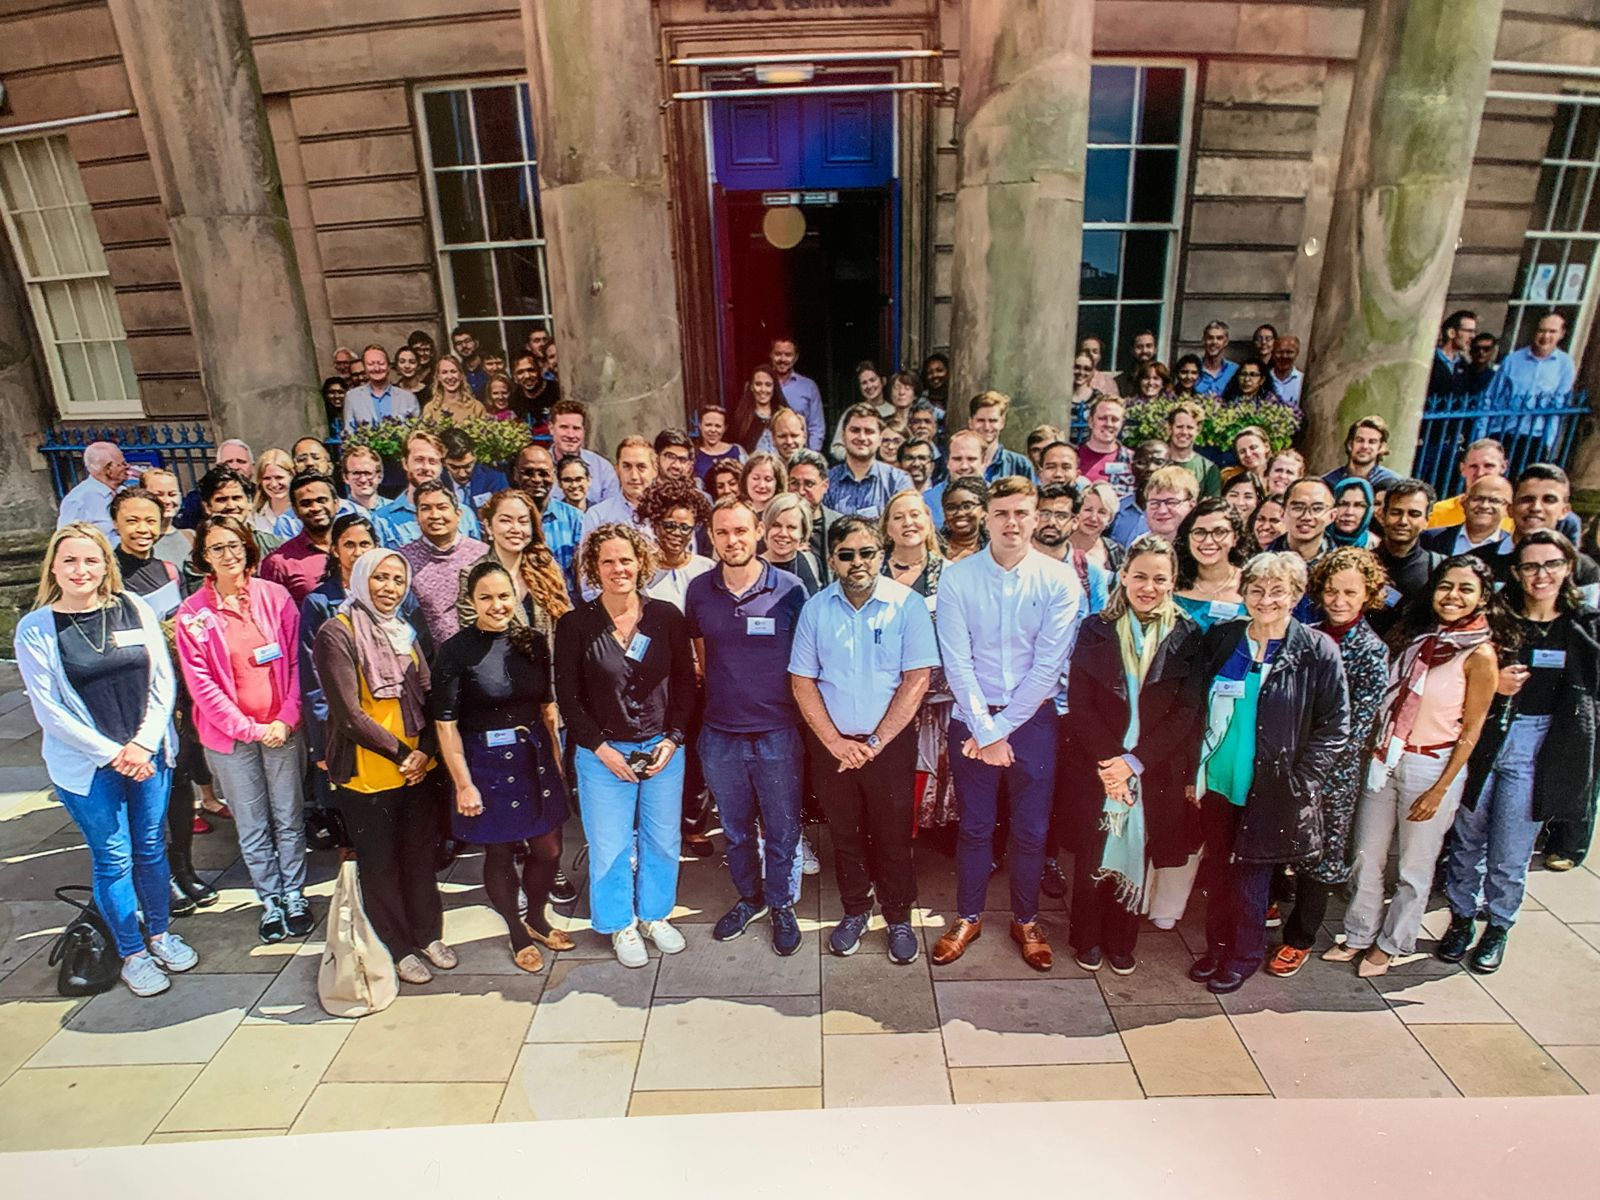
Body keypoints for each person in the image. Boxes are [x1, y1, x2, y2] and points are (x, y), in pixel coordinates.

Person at [14, 523, 196, 996]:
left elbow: (162, 682)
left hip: (147, 755)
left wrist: (143, 743)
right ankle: (132, 952)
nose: (81, 570)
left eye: (91, 560)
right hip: (90, 767)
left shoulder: (132, 607)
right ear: (53, 565)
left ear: (105, 566)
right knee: (113, 858)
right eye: (70, 560)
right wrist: (115, 754)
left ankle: (160, 933)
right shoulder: (36, 628)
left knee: (152, 847)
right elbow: (50, 712)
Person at [930, 477, 1082, 971]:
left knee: (1032, 830)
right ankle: (968, 916)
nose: (1012, 523)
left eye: (1022, 513)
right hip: (971, 717)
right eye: (1002, 513)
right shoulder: (956, 578)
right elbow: (958, 661)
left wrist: (998, 732)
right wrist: (983, 727)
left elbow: (1047, 667)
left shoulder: (1059, 580)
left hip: (1032, 719)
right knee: (974, 827)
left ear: (1037, 519)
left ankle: (1026, 918)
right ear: (986, 518)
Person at [1327, 555, 1502, 977]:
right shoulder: (1417, 638)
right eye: (1446, 586)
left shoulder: (1479, 655)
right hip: (1386, 758)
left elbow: (1472, 730)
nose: (1453, 596)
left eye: (1465, 589)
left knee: (1413, 865)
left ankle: (1392, 942)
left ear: (1481, 598)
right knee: (1367, 855)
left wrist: (1440, 788)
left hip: (1433, 764)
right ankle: (1358, 934)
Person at [1186, 551, 1349, 993]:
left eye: (1279, 590)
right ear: (1244, 593)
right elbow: (1194, 705)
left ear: (1296, 596)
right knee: (1218, 869)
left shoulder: (1316, 650)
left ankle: (1243, 955)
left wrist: (1303, 782)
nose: (1266, 598)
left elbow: (1335, 725)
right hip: (1219, 780)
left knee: (1251, 878)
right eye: (1257, 589)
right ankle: (1216, 948)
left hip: (1273, 788)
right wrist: (1191, 773)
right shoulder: (1224, 638)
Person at [1441, 531, 1599, 972]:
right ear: (1516, 572)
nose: (1541, 575)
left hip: (1540, 743)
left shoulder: (1582, 623)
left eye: (1551, 565)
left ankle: (1499, 924)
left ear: (1568, 567)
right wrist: (1495, 688)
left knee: (1512, 846)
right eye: (1531, 566)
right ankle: (1461, 917)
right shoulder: (1499, 618)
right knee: (1468, 833)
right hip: (1489, 736)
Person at [790, 515, 938, 964]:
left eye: (867, 552)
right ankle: (855, 911)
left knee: (892, 836)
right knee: (846, 835)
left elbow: (917, 679)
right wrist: (836, 743)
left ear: (882, 554)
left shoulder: (906, 605)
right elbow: (802, 680)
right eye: (847, 554)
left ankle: (897, 919)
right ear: (832, 559)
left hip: (888, 746)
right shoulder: (815, 609)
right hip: (833, 747)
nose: (858, 562)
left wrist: (874, 743)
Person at [1060, 534, 1203, 975]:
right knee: (1093, 851)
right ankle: (1085, 938)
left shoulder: (1187, 633)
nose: (1148, 586)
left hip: (1151, 767)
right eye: (1139, 576)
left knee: (1137, 851)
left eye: (1159, 578)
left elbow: (1187, 712)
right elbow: (1080, 703)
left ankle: (1122, 941)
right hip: (1098, 766)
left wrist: (1134, 762)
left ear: (1173, 581)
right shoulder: (1096, 628)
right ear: (1123, 576)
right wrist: (1111, 763)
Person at [556, 525, 695, 967]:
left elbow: (687, 685)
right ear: (595, 569)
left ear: (641, 563)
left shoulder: (667, 616)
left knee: (662, 840)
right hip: (603, 755)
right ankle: (620, 924)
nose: (619, 569)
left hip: (661, 750)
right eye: (609, 561)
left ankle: (654, 915)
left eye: (626, 559)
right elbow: (569, 697)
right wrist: (601, 749)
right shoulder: (575, 624)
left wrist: (673, 740)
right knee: (610, 844)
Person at [314, 549, 453, 985]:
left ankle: (427, 934)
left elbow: (430, 696)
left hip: (417, 769)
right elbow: (349, 715)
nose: (389, 588)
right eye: (380, 578)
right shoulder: (335, 633)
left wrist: (426, 752)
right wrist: (403, 755)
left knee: (419, 857)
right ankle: (397, 946)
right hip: (369, 771)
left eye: (397, 579)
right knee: (381, 863)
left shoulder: (404, 632)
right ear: (358, 580)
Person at [436, 560, 576, 973]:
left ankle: (536, 917)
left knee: (549, 848)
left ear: (515, 595)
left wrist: (554, 758)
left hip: (534, 755)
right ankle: (516, 931)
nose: (497, 605)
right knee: (499, 851)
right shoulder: (455, 650)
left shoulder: (532, 641)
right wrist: (464, 784)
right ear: (471, 601)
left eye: (503, 596)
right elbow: (446, 726)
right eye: (486, 598)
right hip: (485, 762)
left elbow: (546, 708)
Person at [176, 515, 309, 944]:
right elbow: (202, 686)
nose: (229, 555)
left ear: (248, 547)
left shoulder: (275, 597)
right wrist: (249, 728)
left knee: (288, 816)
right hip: (231, 739)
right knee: (252, 823)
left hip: (282, 730)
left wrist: (286, 718)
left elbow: (294, 662)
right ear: (203, 558)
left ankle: (295, 895)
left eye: (235, 545)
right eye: (217, 548)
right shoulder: (193, 614)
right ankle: (270, 900)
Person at [686, 498, 811, 953]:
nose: (732, 540)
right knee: (736, 830)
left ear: (758, 531)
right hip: (720, 733)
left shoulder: (792, 588)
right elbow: (703, 655)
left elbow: (806, 659)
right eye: (722, 533)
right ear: (712, 537)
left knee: (781, 828)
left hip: (778, 730)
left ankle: (781, 903)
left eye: (741, 531)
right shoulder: (699, 590)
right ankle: (748, 897)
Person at [1263, 547, 1390, 975]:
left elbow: (1356, 728)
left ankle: (1300, 937)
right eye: (1332, 591)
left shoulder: (1372, 650)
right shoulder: (1305, 634)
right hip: (1286, 758)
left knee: (1320, 853)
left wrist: (1312, 766)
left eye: (1349, 592)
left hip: (1331, 772)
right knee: (1278, 840)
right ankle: (1270, 906)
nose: (1338, 600)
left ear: (1367, 594)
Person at [881, 490, 958, 831]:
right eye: (898, 517)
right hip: (884, 695)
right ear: (887, 528)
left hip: (937, 699)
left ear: (929, 522)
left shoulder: (953, 574)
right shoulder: (871, 569)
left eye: (915, 514)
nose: (908, 522)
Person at [1472, 463, 1600, 599]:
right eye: (1527, 499)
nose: (1536, 507)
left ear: (1564, 511)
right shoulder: (1478, 561)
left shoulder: (1584, 570)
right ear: (1510, 509)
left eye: (1549, 500)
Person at [397, 481, 489, 650]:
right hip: (429, 661)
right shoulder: (402, 560)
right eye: (425, 508)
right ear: (416, 517)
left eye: (442, 507)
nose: (434, 515)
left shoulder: (483, 554)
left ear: (458, 514)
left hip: (481, 653)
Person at [1483, 312, 1577, 463]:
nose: (1546, 336)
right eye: (1542, 330)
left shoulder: (1565, 365)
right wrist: (1482, 436)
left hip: (1534, 437)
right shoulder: (1513, 360)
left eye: (1552, 331)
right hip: (1502, 432)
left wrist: (1549, 445)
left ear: (1562, 334)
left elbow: (1557, 409)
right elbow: (1491, 398)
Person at [375, 431, 481, 545]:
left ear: (441, 466)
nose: (426, 467)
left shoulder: (465, 515)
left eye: (432, 461)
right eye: (419, 460)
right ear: (405, 463)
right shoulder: (382, 519)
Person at [1369, 479, 1441, 634]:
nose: (1403, 521)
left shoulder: (1437, 568)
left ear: (1427, 520)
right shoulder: (1361, 564)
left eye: (1414, 514)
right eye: (1396, 512)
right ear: (1382, 515)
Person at [258, 473, 338, 605]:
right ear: (295, 511)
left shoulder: (354, 548)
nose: (316, 508)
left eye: (322, 500)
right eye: (306, 503)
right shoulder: (279, 563)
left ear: (336, 504)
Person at [509, 444, 582, 588]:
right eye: (528, 473)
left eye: (543, 473)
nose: (536, 479)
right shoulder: (506, 519)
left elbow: (582, 573)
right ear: (516, 474)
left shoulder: (574, 519)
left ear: (553, 474)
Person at [824, 404, 912, 519]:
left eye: (869, 431)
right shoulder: (827, 482)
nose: (861, 437)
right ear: (843, 437)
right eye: (855, 430)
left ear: (880, 439)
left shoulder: (898, 481)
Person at [638, 478, 714, 608]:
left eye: (685, 528)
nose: (677, 533)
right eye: (669, 525)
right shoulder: (642, 572)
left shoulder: (708, 568)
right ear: (655, 525)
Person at [1173, 499, 1246, 632]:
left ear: (1235, 538)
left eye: (1219, 532)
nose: (1208, 541)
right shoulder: (1172, 583)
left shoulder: (1250, 582)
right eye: (1199, 532)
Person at [579, 437, 657, 557]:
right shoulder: (598, 516)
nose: (634, 476)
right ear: (617, 469)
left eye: (641, 467)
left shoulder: (668, 514)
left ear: (654, 470)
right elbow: (586, 568)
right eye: (627, 466)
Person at [1427, 438, 1512, 530]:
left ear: (1503, 467)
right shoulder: (1438, 513)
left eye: (1488, 466)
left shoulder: (1515, 516)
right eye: (1473, 466)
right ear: (1462, 468)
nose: (1480, 473)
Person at [549, 399, 621, 506]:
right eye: (564, 427)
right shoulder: (540, 467)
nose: (570, 435)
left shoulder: (602, 468)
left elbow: (611, 511)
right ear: (551, 428)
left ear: (584, 431)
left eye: (576, 428)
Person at [1423, 474, 1514, 556]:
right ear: (1464, 503)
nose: (1484, 506)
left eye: (1494, 501)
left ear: (1509, 509)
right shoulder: (1429, 538)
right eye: (1477, 499)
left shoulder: (1512, 548)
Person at [57, 440, 129, 535]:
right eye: (122, 464)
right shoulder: (79, 500)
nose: (127, 466)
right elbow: (66, 538)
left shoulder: (123, 492)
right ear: (108, 469)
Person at [769, 336, 825, 451]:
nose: (782, 359)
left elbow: (816, 427)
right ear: (770, 355)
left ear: (796, 357)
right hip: (768, 458)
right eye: (778, 354)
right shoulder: (761, 385)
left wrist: (810, 456)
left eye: (788, 355)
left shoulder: (808, 387)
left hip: (799, 454)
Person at [763, 492, 824, 595]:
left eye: (791, 527)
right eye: (776, 525)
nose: (783, 533)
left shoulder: (811, 561)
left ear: (803, 532)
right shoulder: (753, 569)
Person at [787, 448, 840, 564]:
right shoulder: (776, 527)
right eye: (794, 483)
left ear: (825, 486)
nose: (801, 491)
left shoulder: (839, 524)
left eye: (809, 484)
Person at [343, 344, 420, 425]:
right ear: (365, 368)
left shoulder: (408, 398)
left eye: (381, 363)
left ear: (389, 366)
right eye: (371, 364)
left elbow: (416, 432)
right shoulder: (352, 397)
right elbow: (349, 432)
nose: (377, 368)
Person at [1322, 416, 1402, 493]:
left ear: (1381, 447)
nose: (1365, 446)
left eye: (1372, 442)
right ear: (1350, 444)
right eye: (1360, 440)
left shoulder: (1393, 484)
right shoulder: (1329, 482)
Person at [967, 391, 1033, 481]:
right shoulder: (959, 463)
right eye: (981, 420)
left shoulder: (1020, 465)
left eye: (993, 420)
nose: (986, 427)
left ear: (1002, 422)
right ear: (970, 422)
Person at [136, 467, 194, 566]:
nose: (167, 501)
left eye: (172, 494)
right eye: (159, 495)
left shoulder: (191, 537)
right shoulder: (135, 540)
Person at [441, 428, 509, 511]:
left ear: (475, 457)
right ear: (443, 462)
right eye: (454, 467)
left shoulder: (494, 479)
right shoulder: (436, 482)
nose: (462, 474)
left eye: (467, 466)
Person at [730, 362, 790, 455]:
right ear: (751, 387)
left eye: (768, 385)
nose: (763, 389)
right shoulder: (741, 418)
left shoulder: (784, 415)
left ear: (774, 387)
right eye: (758, 384)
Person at [1077, 396, 1133, 492]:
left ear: (1122, 424)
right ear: (1090, 421)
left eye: (1114, 419)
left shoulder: (1132, 460)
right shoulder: (1073, 457)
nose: (1109, 424)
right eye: (1102, 418)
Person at [1166, 401, 1220, 498]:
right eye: (1179, 427)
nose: (1184, 432)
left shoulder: (1209, 469)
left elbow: (1212, 508)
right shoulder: (1157, 461)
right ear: (1170, 428)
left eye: (1190, 427)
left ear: (1198, 430)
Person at [1068, 480, 1122, 573]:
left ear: (1110, 519)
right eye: (1088, 510)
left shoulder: (1115, 552)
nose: (1093, 518)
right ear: (1077, 512)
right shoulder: (1058, 544)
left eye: (1102, 512)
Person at [940, 475, 989, 562]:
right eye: (951, 508)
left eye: (967, 506)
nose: (959, 513)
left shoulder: (995, 548)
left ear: (984, 510)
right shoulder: (933, 548)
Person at [1429, 310, 1478, 396]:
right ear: (1451, 333)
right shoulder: (1430, 361)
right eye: (1469, 331)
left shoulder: (1464, 366)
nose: (1472, 336)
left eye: (1474, 332)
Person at [694, 405, 745, 481]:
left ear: (724, 428)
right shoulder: (694, 454)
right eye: (708, 425)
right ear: (700, 426)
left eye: (718, 426)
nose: (713, 430)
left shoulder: (737, 450)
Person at [251, 448, 295, 537]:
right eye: (267, 478)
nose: (274, 484)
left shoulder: (303, 513)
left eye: (279, 477)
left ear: (292, 476)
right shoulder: (253, 517)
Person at [1329, 477, 1377, 549]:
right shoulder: (1317, 541)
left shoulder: (1376, 546)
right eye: (1343, 504)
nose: (1349, 512)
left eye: (1358, 505)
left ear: (1368, 511)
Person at [341, 444, 388, 515]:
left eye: (368, 473)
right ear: (345, 477)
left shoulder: (396, 511)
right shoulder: (338, 513)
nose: (363, 480)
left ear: (380, 476)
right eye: (356, 473)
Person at [1195, 321, 1238, 396]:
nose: (1214, 342)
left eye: (1219, 338)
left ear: (1226, 342)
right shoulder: (1193, 368)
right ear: (1203, 340)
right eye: (1210, 338)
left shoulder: (1234, 370)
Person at [1114, 329, 1160, 397]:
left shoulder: (1163, 378)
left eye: (1149, 346)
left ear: (1155, 349)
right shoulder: (1120, 382)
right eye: (1139, 347)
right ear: (1132, 350)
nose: (1144, 350)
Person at [1269, 335, 1303, 408]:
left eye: (1289, 352)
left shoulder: (1302, 381)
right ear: (1273, 353)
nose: (1284, 356)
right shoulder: (1264, 379)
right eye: (1280, 352)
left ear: (1297, 353)